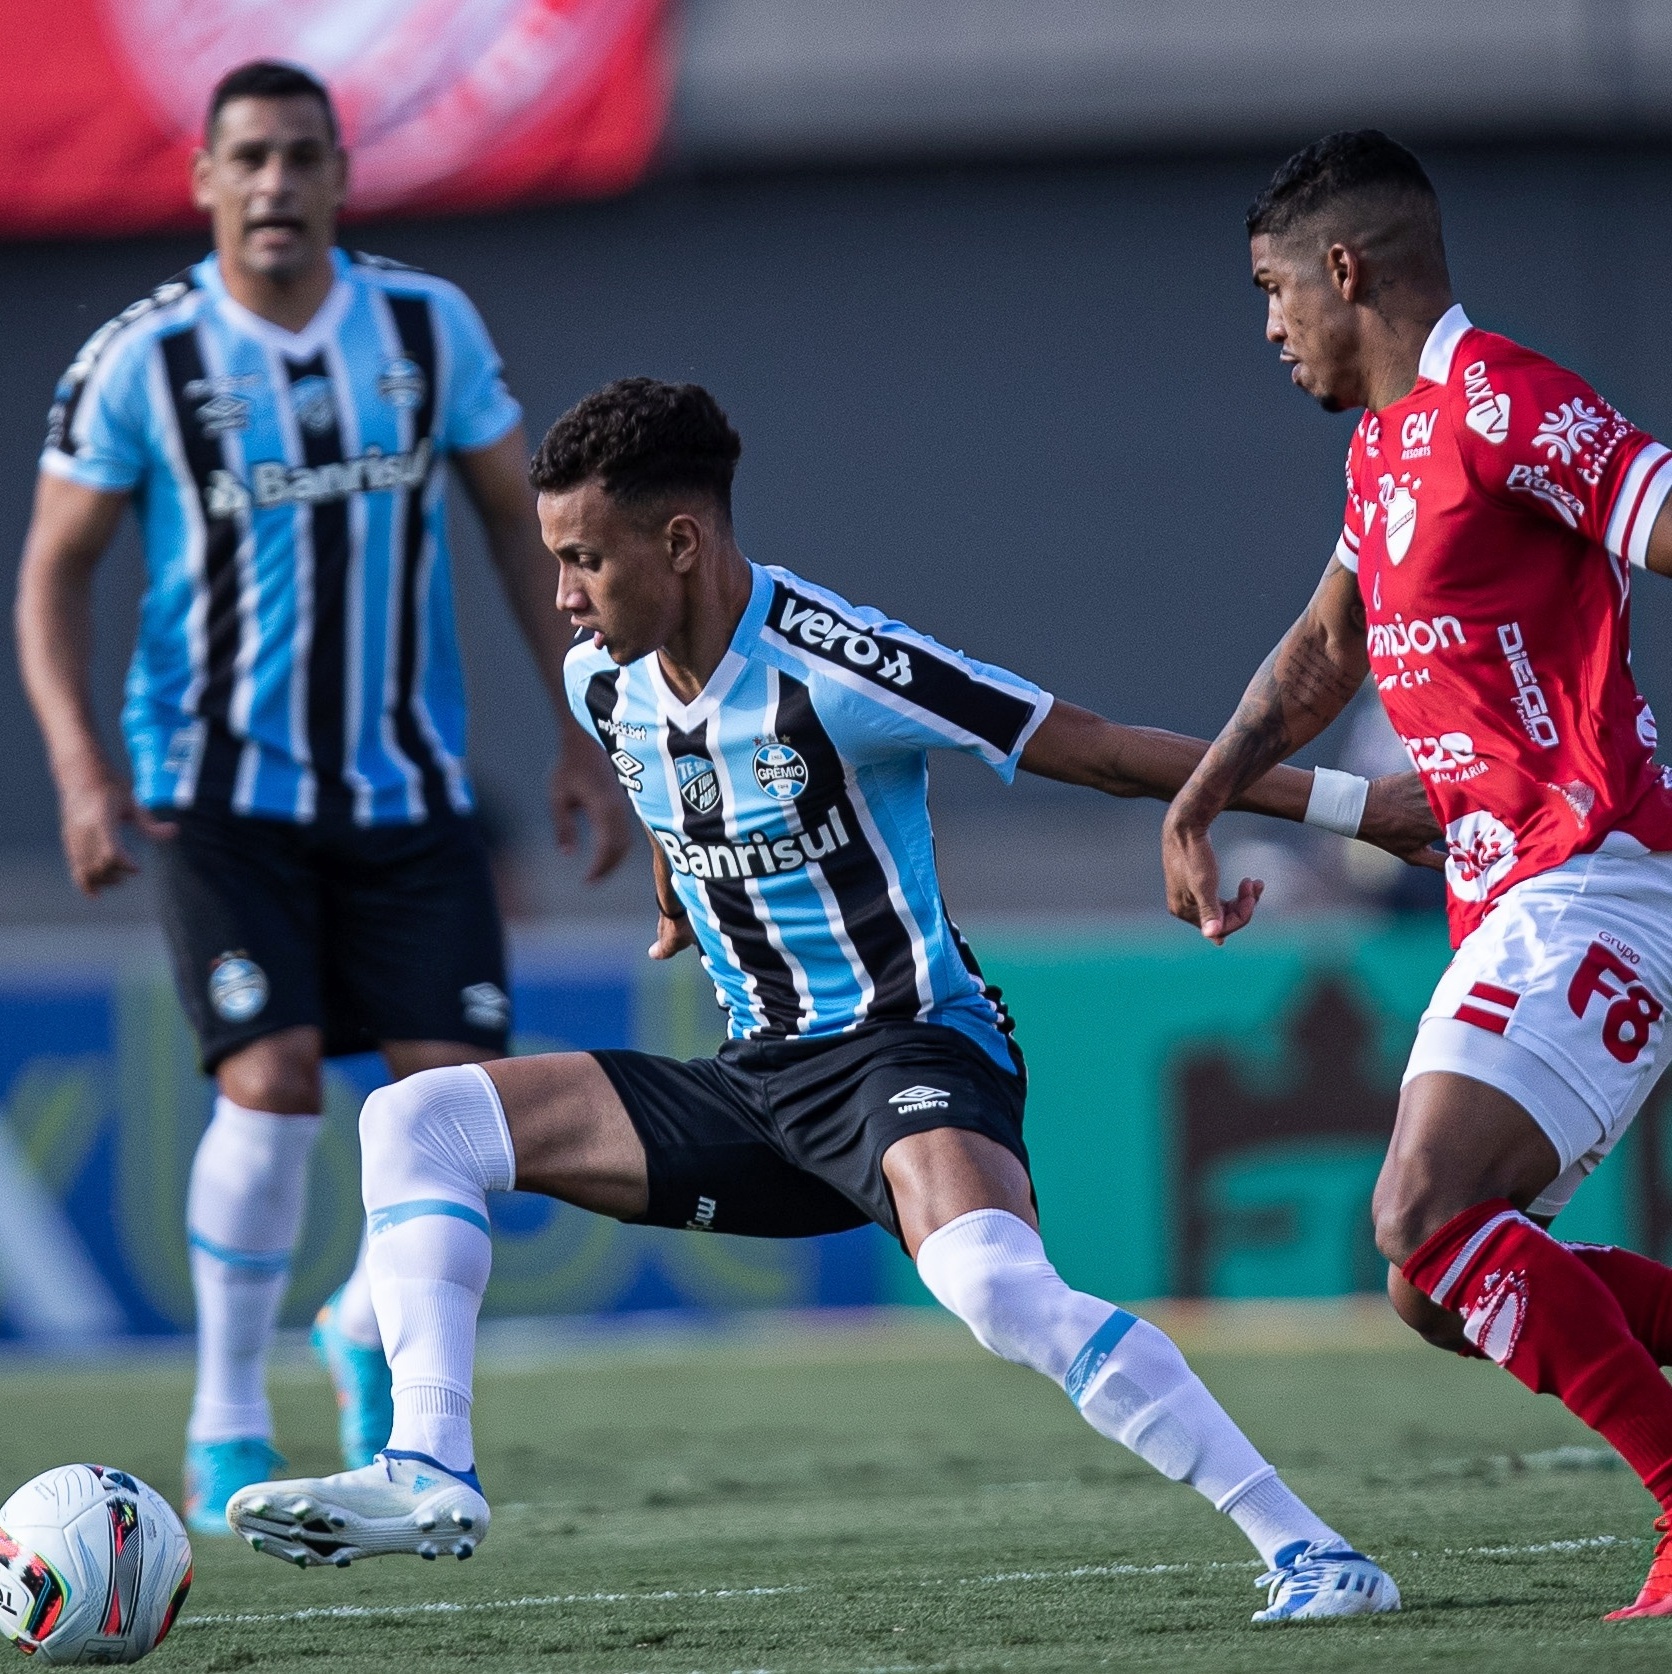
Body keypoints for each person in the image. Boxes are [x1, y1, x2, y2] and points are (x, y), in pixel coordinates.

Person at [225, 377, 1436, 1622]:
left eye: (584, 560)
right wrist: (671, 888)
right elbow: (667, 784)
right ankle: (428, 1465)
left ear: (680, 542)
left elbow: (1100, 746)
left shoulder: (838, 664)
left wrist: (1357, 810)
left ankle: (1314, 1551)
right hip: (754, 1086)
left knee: (993, 1289)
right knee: (415, 1121)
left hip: (906, 1056)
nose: (564, 598)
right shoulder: (609, 680)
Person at [14, 61, 631, 1534]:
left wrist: (584, 729)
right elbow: (51, 569)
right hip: (216, 792)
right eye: (251, 159)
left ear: (341, 175)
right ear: (204, 182)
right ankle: (224, 1418)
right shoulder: (143, 359)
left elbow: (520, 527)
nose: (277, 184)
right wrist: (83, 765)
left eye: (303, 156)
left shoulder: (425, 328)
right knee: (273, 1081)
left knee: (461, 1115)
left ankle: (361, 1323)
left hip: (407, 792)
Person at [1160, 129, 1672, 1621]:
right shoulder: (1379, 449)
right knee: (1430, 1278)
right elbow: (1325, 648)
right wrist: (1199, 796)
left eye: (1271, 291)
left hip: (1603, 875)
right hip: (1505, 901)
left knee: (1425, 1212)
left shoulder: (1506, 399)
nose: (1267, 329)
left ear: (1344, 269)